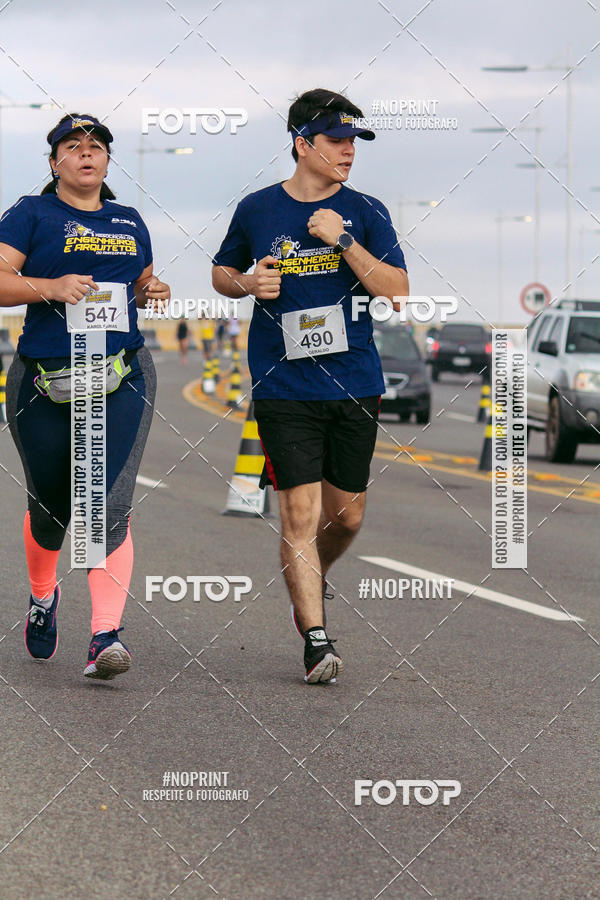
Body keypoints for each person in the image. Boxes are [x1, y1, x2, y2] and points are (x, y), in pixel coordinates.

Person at [212, 88, 408, 684]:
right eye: (337, 141)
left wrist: (343, 241)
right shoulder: (257, 209)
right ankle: (316, 638)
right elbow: (221, 271)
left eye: (354, 143)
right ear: (303, 144)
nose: (349, 153)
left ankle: (308, 578)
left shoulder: (366, 211)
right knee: (298, 515)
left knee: (344, 518)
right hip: (282, 383)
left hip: (354, 382)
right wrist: (247, 284)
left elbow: (395, 290)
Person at [0, 113, 170, 680]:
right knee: (50, 508)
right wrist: (48, 287)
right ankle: (43, 596)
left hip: (122, 375)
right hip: (45, 379)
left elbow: (141, 282)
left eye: (95, 146)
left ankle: (105, 637)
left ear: (105, 160)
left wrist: (152, 289)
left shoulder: (129, 218)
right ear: (55, 163)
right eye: (72, 147)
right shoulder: (31, 213)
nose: (86, 154)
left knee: (106, 506)